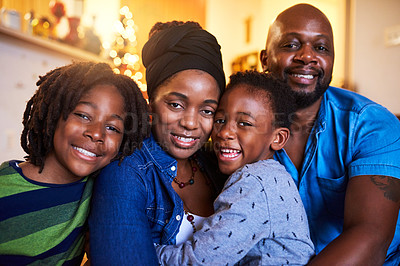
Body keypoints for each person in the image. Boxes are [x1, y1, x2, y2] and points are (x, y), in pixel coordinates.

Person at [260, 3, 400, 265]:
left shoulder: (372, 125)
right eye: (291, 45)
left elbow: (371, 238)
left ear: (332, 61)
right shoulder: (245, 127)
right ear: (265, 59)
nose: (307, 56)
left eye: (321, 48)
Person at [88, 21, 227, 264]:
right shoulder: (126, 172)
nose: (191, 123)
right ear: (150, 101)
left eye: (207, 110)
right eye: (176, 104)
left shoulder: (216, 163)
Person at [155, 70, 315, 265]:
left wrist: (140, 248)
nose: (224, 133)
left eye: (245, 123)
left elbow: (199, 261)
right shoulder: (272, 174)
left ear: (278, 138)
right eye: (220, 120)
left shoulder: (255, 181)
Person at [0, 61, 150, 265]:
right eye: (83, 116)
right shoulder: (5, 188)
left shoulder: (101, 191)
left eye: (113, 128)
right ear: (52, 116)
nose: (96, 133)